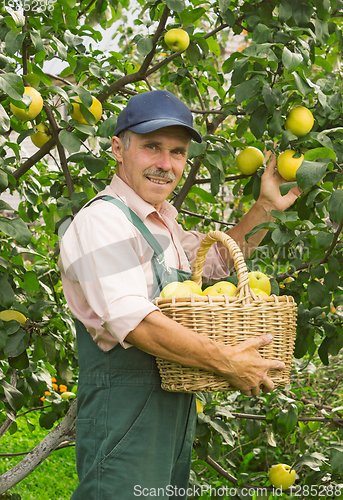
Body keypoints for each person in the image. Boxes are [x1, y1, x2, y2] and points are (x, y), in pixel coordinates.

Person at [58, 90, 301, 500]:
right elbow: (133, 323)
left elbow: (218, 266)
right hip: (124, 416)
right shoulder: (103, 221)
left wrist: (265, 208)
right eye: (152, 147)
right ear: (119, 148)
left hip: (173, 410)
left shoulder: (163, 222)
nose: (165, 164)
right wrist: (227, 362)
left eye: (177, 152)